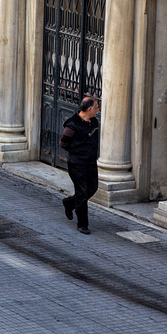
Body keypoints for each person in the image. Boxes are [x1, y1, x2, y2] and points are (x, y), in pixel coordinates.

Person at [61, 97, 101, 235]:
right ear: (89, 109)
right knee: (82, 192)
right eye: (96, 107)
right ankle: (82, 224)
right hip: (77, 164)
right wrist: (77, 153)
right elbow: (64, 143)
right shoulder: (72, 125)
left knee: (92, 188)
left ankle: (69, 203)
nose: (98, 110)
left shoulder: (94, 122)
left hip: (90, 163)